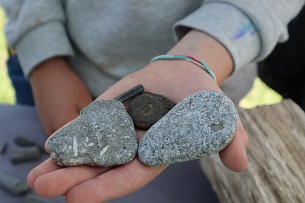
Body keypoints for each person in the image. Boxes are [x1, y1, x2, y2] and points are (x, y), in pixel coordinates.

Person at [1, 1, 304, 202]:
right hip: (58, 63)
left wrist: (205, 51)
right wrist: (43, 58)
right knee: (59, 172)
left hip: (207, 72)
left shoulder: (194, 115)